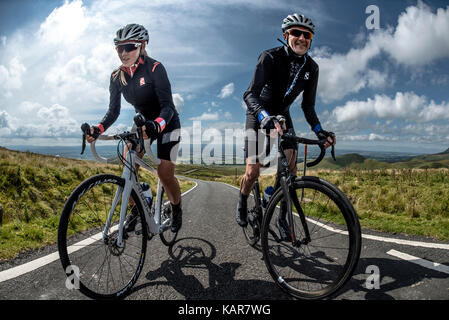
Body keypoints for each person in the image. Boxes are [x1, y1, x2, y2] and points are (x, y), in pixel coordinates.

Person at [237, 13, 336, 239]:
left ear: (311, 39)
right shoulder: (270, 57)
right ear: (286, 35)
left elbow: (308, 107)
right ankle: (242, 200)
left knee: (290, 171)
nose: (301, 38)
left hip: (283, 115)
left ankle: (282, 218)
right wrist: (264, 117)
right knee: (253, 171)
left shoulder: (312, 68)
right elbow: (249, 94)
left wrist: (320, 131)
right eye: (296, 33)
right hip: (258, 113)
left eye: (307, 34)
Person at [85, 23, 183, 232]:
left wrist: (157, 125)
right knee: (127, 168)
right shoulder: (116, 76)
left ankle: (176, 209)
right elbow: (113, 112)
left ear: (142, 45)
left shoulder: (155, 68)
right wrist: (98, 129)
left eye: (129, 47)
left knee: (165, 174)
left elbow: (168, 107)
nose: (124, 52)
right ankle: (138, 207)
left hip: (167, 122)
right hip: (142, 122)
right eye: (119, 48)